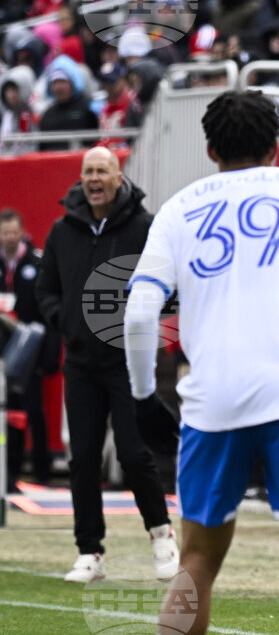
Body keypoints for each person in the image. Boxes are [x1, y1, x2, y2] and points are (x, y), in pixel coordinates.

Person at [122, 90, 279, 634]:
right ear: (275, 147)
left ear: (211, 149)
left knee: (195, 565)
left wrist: (144, 399)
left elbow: (140, 313)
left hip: (211, 401)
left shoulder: (176, 209)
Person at [35, 146, 178, 583]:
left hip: (126, 361)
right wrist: (66, 320)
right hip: (80, 362)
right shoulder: (62, 230)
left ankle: (161, 534)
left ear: (119, 177)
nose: (94, 178)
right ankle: (89, 551)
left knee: (134, 454)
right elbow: (46, 290)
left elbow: (170, 285)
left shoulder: (145, 227)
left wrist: (141, 323)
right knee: (82, 459)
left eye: (102, 170)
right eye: (88, 172)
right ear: (80, 179)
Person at [1, 209, 55, 488]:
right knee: (6, 411)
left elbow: (50, 311)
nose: (9, 237)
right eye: (4, 233)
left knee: (33, 409)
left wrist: (50, 354)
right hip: (3, 350)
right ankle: (9, 470)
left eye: (13, 232)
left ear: (21, 232)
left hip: (31, 349)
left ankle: (42, 470)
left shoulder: (38, 262)